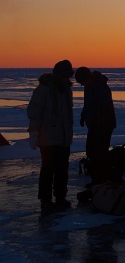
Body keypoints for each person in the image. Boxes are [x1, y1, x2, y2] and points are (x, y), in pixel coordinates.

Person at [27, 60, 74, 211]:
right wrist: (34, 132)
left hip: (64, 136)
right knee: (48, 169)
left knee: (62, 168)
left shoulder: (66, 89)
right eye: (65, 75)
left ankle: (60, 197)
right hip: (48, 137)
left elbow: (67, 114)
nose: (67, 78)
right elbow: (34, 112)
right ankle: (45, 200)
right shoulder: (44, 89)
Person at [75, 67, 116, 187]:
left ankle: (102, 180)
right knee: (92, 152)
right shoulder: (89, 86)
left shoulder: (100, 86)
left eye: (82, 81)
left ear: (87, 77)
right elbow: (88, 104)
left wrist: (99, 123)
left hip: (103, 125)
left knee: (99, 153)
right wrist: (84, 116)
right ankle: (97, 179)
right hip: (94, 124)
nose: (82, 85)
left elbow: (104, 107)